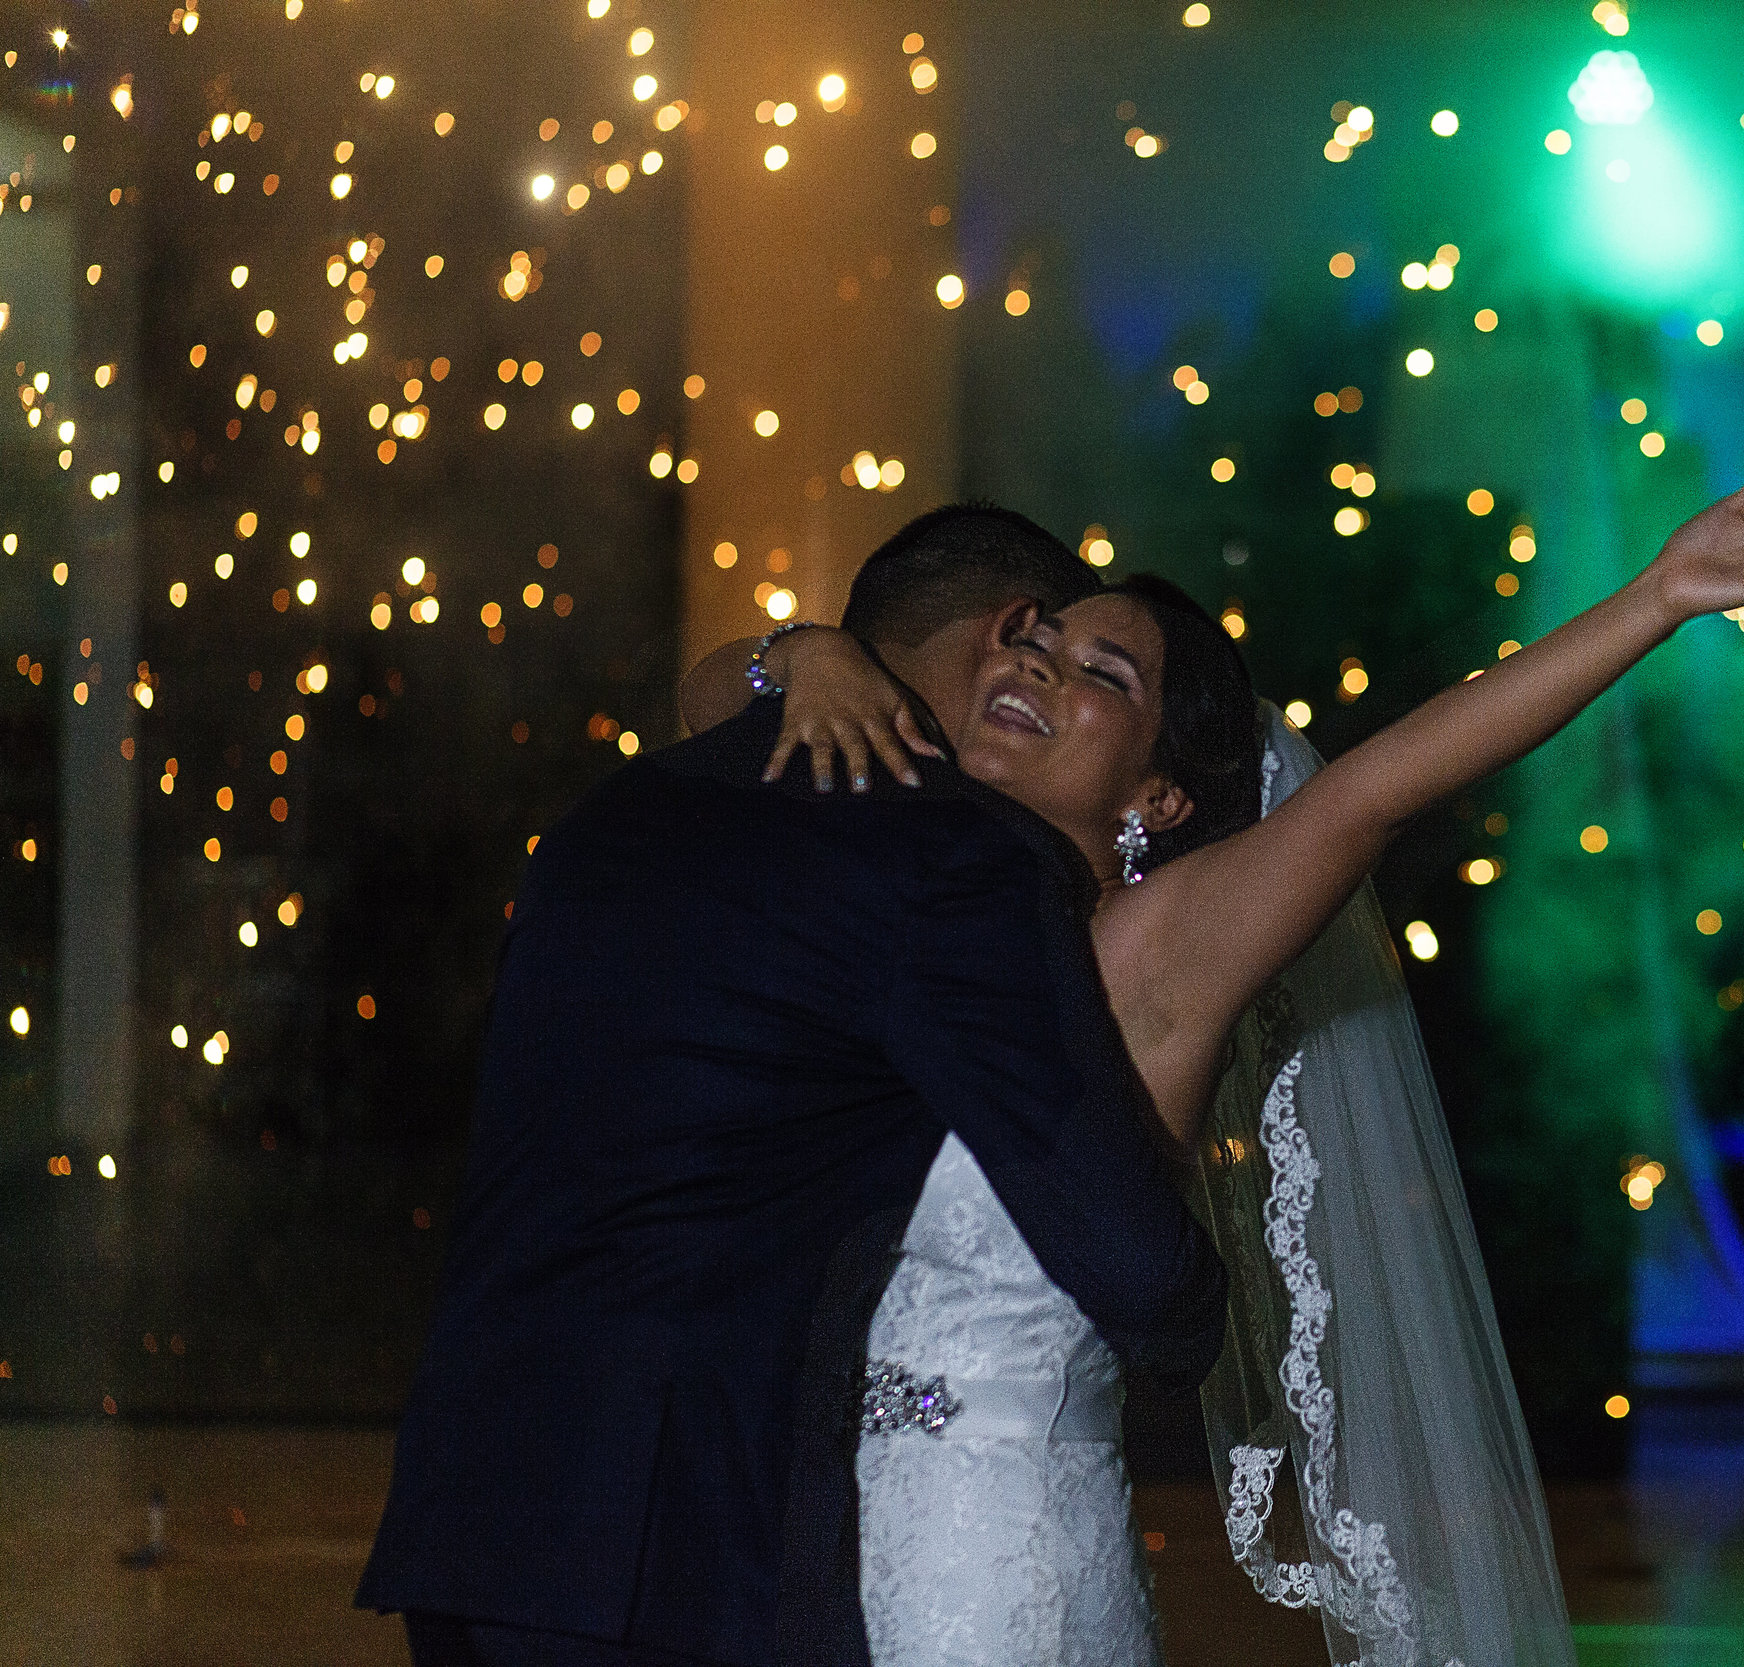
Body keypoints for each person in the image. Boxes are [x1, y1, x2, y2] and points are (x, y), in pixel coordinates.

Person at [684, 454, 1744, 1665]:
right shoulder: (899, 881)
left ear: (1158, 800)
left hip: (987, 1559)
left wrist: (1658, 596)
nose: (1037, 667)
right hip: (799, 1537)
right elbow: (702, 716)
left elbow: (1371, 794)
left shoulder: (1152, 952)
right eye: (1036, 644)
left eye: (1099, 671)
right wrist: (805, 655)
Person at [354, 506, 1229, 1667]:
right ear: (1012, 628)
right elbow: (1127, 1261)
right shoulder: (955, 856)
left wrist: (788, 652)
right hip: (683, 1550)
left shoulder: (615, 811)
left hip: (471, 1506)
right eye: (1045, 643)